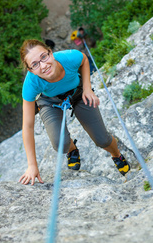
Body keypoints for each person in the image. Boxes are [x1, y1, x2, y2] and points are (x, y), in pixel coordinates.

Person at [19, 39, 130, 185]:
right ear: (30, 70)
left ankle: (116, 155)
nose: (43, 65)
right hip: (50, 101)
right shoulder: (31, 84)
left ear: (51, 53)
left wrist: (87, 88)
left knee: (102, 139)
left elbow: (84, 60)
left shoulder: (68, 58)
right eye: (35, 64)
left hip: (78, 93)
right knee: (60, 145)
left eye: (44, 57)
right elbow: (27, 126)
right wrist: (32, 165)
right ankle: (72, 149)